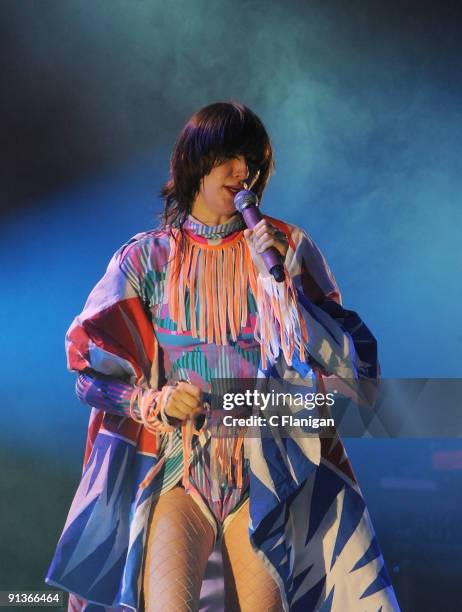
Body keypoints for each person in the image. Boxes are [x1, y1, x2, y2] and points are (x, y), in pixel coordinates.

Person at [46, 102, 400, 611]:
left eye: (251, 162)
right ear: (196, 160)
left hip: (266, 472)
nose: (244, 173)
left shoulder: (287, 247)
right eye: (231, 158)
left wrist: (281, 283)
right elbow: (87, 374)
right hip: (181, 470)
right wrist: (154, 402)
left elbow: (357, 367)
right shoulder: (147, 258)